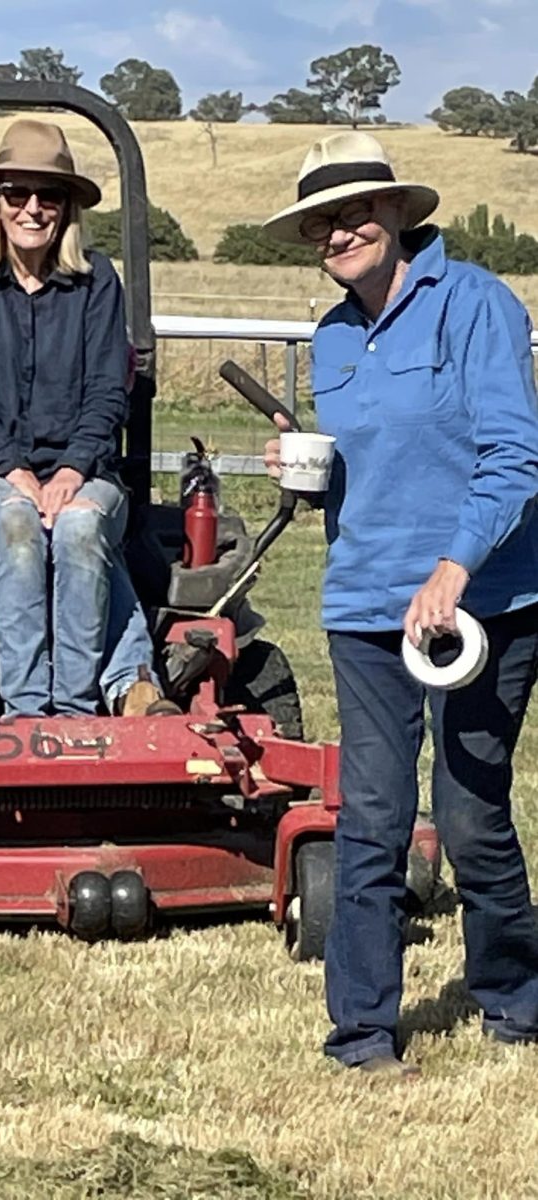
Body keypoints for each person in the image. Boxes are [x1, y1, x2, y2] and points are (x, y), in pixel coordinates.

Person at [263, 131, 538, 1077]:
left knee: (468, 818)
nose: (338, 232)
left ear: (395, 214)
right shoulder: (332, 335)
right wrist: (305, 474)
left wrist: (454, 569)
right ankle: (363, 1033)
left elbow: (514, 455)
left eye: (353, 212)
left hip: (484, 600)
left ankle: (514, 996)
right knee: (371, 817)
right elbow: (366, 466)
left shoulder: (478, 306)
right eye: (321, 223)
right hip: (367, 602)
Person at [0, 119, 177, 719]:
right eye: (16, 194)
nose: (32, 209)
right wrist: (15, 471)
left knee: (82, 530)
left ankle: (80, 710)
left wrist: (71, 469)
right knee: (16, 524)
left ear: (67, 208)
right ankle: (28, 709)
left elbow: (107, 393)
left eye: (49, 196)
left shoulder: (95, 281)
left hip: (83, 467)